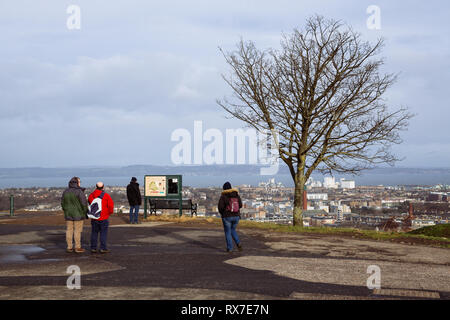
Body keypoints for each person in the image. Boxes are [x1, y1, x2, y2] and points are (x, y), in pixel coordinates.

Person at [61, 177, 88, 253]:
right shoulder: (79, 192)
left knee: (69, 230)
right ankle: (77, 247)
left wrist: (66, 210)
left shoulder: (65, 191)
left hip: (68, 214)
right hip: (78, 215)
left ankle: (69, 247)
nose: (80, 183)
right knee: (77, 231)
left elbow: (62, 203)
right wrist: (85, 212)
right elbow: (84, 203)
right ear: (77, 182)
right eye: (79, 182)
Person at [88, 182, 114, 253]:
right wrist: (109, 213)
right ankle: (103, 248)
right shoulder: (106, 196)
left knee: (94, 233)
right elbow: (111, 206)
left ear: (96, 186)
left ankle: (93, 247)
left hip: (94, 217)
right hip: (104, 217)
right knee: (103, 233)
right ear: (103, 187)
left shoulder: (91, 195)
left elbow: (90, 204)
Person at [218, 182, 243, 253]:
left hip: (227, 216)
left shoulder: (223, 196)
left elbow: (220, 207)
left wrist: (222, 213)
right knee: (233, 230)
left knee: (228, 232)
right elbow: (240, 205)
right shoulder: (236, 195)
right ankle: (238, 243)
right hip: (236, 216)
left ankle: (230, 248)